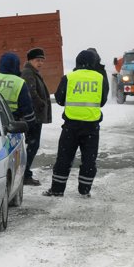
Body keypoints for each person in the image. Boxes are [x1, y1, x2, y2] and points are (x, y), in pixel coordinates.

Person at [43, 49, 109, 197]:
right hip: (91, 127)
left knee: (64, 158)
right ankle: (84, 190)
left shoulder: (69, 77)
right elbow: (103, 101)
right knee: (89, 160)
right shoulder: (100, 78)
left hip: (71, 126)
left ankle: (57, 190)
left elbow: (59, 100)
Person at [20, 48, 52, 186]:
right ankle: (24, 174)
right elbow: (30, 92)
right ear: (29, 60)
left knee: (32, 146)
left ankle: (25, 173)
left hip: (34, 115)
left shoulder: (33, 72)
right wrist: (40, 103)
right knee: (32, 145)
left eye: (42, 60)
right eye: (37, 60)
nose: (40, 63)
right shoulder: (28, 73)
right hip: (33, 117)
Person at [0, 52, 36, 126]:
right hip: (11, 121)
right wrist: (31, 122)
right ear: (16, 65)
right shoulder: (19, 82)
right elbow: (26, 106)